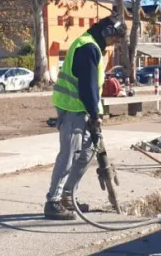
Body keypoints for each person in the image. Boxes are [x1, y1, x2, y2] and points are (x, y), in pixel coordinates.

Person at [44, 15, 128, 220]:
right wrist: (94, 114)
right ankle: (53, 201)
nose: (115, 43)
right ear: (107, 33)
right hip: (72, 108)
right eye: (115, 39)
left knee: (88, 150)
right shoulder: (88, 48)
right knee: (69, 154)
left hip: (80, 108)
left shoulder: (94, 47)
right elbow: (87, 86)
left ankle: (67, 195)